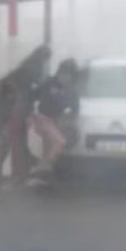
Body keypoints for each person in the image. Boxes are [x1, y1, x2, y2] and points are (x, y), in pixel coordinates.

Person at [0, 45, 52, 188]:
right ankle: (17, 175)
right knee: (13, 144)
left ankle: (9, 172)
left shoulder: (25, 69)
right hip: (5, 113)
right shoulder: (31, 70)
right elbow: (24, 94)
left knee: (11, 144)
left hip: (7, 112)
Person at [27, 58, 80, 188]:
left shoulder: (72, 91)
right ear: (59, 73)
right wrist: (29, 115)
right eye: (64, 74)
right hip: (43, 118)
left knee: (49, 148)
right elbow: (31, 96)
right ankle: (42, 170)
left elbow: (75, 110)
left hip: (57, 122)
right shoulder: (48, 84)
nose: (66, 77)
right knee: (59, 142)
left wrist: (68, 120)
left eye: (69, 75)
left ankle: (40, 176)